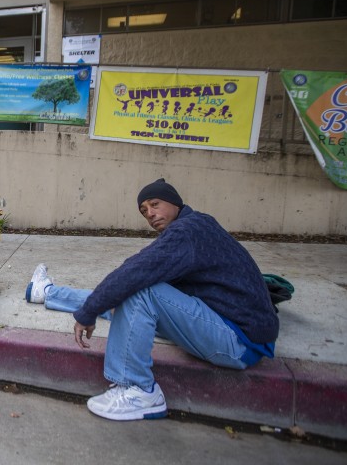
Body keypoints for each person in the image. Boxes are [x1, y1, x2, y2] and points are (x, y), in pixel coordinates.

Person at [25, 178, 279, 421]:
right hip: (223, 323)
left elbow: (136, 271)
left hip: (238, 342)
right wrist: (94, 306)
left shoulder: (186, 232)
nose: (150, 214)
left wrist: (88, 312)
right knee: (125, 294)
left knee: (139, 289)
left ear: (175, 203)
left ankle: (139, 390)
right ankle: (47, 292)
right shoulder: (196, 224)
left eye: (155, 205)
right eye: (144, 210)